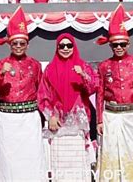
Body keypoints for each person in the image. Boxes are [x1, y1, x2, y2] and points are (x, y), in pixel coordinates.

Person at [0, 6, 45, 181]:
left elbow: (42, 92)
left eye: (22, 43)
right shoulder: (0, 64)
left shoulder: (35, 65)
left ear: (28, 44)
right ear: (9, 43)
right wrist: (1, 73)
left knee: (32, 158)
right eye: (15, 43)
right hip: (7, 118)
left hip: (29, 117)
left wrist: (48, 117)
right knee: (9, 161)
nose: (18, 46)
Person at [96, 4, 133, 182]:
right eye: (115, 44)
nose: (118, 47)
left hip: (132, 115)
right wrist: (99, 120)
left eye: (122, 44)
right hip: (111, 115)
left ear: (128, 43)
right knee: (111, 154)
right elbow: (100, 94)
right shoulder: (104, 66)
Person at [39, 33, 98, 181]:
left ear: (74, 47)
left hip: (77, 124)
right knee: (59, 162)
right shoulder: (50, 70)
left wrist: (83, 74)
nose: (65, 48)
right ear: (57, 48)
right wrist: (51, 116)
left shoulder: (82, 66)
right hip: (58, 124)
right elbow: (43, 95)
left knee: (78, 161)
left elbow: (93, 87)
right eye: (62, 46)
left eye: (69, 45)